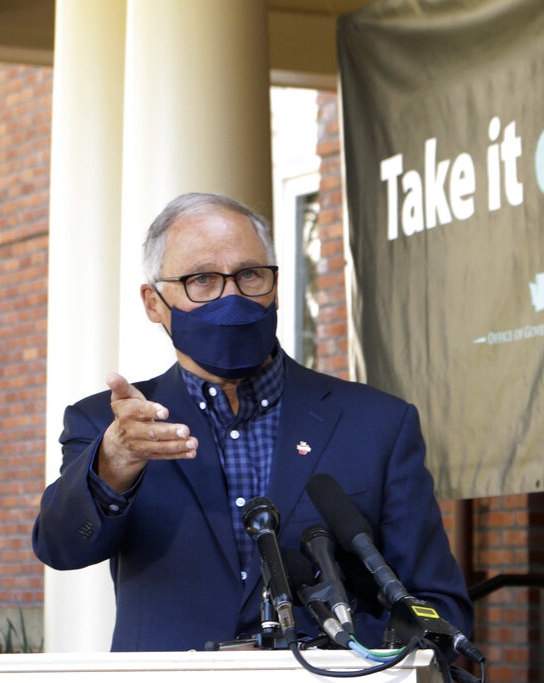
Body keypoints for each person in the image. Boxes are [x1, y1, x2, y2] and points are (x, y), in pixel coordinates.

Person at [32, 192, 473, 652]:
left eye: (250, 275)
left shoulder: (379, 423)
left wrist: (344, 658)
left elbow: (438, 605)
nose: (233, 297)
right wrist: (113, 462)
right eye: (202, 279)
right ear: (154, 303)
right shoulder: (110, 424)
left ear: (276, 286)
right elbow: (62, 548)